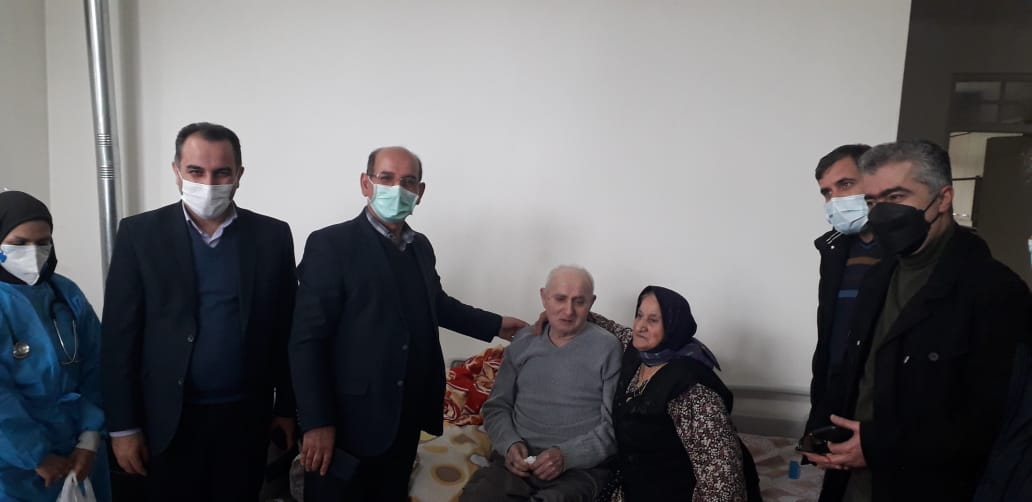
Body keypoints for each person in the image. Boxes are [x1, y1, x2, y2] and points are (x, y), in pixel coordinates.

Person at [289, 146, 528, 502]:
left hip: (405, 417)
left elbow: (435, 303)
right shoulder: (331, 245)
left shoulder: (420, 247)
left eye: (408, 181)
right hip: (347, 421)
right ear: (366, 183)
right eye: (386, 178)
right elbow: (306, 341)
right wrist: (316, 421)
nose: (397, 189)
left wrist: (497, 325)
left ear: (420, 192)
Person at [804, 140, 1032, 502]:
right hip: (854, 478)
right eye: (873, 202)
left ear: (943, 199)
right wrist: (825, 428)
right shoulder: (878, 277)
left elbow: (989, 419)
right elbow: (854, 370)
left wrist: (879, 445)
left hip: (927, 485)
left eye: (896, 197)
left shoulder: (995, 291)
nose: (882, 213)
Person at [101, 122, 298, 501]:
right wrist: (122, 428)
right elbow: (118, 340)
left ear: (239, 174)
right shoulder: (140, 235)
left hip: (245, 419)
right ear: (176, 171)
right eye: (196, 171)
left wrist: (288, 408)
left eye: (222, 172)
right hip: (166, 421)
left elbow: (286, 329)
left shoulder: (272, 236)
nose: (209, 183)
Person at [460, 266, 621, 502]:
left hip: (578, 469)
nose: (568, 310)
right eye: (560, 299)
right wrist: (509, 444)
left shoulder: (608, 348)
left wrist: (567, 456)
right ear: (544, 297)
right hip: (518, 463)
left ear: (592, 302)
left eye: (579, 302)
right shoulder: (524, 341)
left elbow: (613, 427)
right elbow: (497, 406)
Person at [589, 286, 751, 502]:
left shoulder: (691, 390)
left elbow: (722, 478)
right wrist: (558, 313)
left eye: (653, 320)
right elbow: (610, 327)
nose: (640, 326)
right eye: (639, 315)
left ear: (673, 327)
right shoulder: (639, 352)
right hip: (633, 487)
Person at [0, 190, 111, 501]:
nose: (33, 252)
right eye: (19, 243)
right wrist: (35, 455)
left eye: (43, 242)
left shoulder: (65, 293)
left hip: (79, 454)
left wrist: (89, 439)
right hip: (13, 468)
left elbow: (98, 366)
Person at [807, 144, 881, 433]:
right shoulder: (834, 250)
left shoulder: (904, 252)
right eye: (827, 192)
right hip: (835, 390)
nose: (835, 199)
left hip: (879, 400)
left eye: (846, 184)